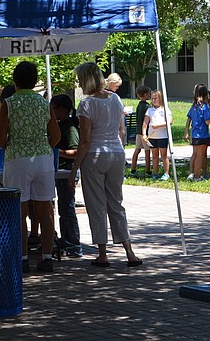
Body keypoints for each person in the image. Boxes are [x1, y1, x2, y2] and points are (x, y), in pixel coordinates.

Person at [70, 62, 142, 268]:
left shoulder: (86, 104)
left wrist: (74, 169)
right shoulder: (116, 98)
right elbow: (121, 130)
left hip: (94, 155)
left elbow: (85, 140)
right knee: (116, 203)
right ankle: (129, 251)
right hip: (116, 154)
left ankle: (103, 253)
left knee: (97, 205)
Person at [0, 61, 61, 273]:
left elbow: (0, 138)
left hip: (17, 158)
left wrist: (12, 147)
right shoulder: (45, 103)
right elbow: (56, 135)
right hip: (43, 159)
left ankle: (22, 258)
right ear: (35, 82)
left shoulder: (9, 103)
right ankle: (47, 257)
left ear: (15, 81)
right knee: (46, 211)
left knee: (19, 212)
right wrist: (43, 147)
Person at [50, 93, 83, 258]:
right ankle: (66, 239)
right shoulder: (60, 124)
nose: (51, 111)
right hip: (59, 172)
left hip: (67, 172)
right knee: (62, 208)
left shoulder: (70, 127)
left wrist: (56, 152)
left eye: (53, 108)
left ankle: (74, 243)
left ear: (62, 109)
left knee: (67, 208)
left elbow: (75, 151)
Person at [142, 90, 172, 181]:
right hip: (152, 137)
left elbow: (170, 122)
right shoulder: (149, 110)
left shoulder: (165, 109)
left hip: (162, 136)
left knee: (164, 155)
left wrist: (158, 126)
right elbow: (145, 123)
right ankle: (155, 173)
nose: (154, 100)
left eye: (156, 98)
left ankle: (166, 173)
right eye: (152, 99)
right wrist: (144, 134)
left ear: (161, 99)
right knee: (154, 155)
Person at [186, 84, 210, 181]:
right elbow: (207, 121)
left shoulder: (194, 106)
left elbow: (189, 118)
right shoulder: (205, 107)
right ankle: (197, 176)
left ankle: (191, 173)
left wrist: (186, 131)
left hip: (194, 134)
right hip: (202, 134)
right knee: (200, 156)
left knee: (195, 154)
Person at [128, 85, 152, 177]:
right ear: (145, 94)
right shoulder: (146, 106)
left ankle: (133, 169)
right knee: (147, 151)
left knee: (137, 150)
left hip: (138, 132)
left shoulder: (139, 105)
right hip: (144, 132)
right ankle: (148, 171)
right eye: (149, 94)